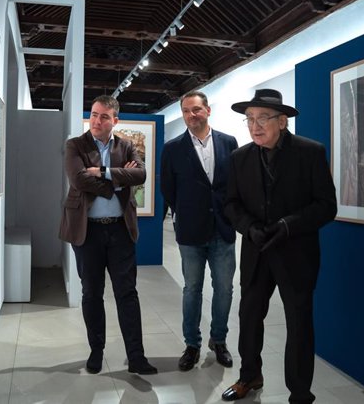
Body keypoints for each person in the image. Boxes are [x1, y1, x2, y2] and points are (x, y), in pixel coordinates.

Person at [220, 89, 337, 403]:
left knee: (299, 323)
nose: (255, 126)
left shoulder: (310, 152)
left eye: (262, 118)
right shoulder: (239, 158)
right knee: (248, 317)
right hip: (256, 253)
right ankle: (249, 377)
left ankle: (300, 392)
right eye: (249, 120)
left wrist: (288, 225)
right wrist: (249, 227)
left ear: (282, 121)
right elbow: (230, 204)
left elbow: (327, 206)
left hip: (296, 254)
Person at [59, 95, 158, 375]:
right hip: (87, 232)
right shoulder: (75, 145)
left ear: (115, 120)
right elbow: (78, 179)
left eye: (104, 116)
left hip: (119, 230)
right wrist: (115, 183)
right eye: (93, 114)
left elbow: (140, 175)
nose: (96, 121)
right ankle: (96, 351)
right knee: (92, 293)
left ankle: (136, 357)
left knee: (127, 293)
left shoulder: (125, 145)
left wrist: (102, 172)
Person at [160, 91, 238, 371]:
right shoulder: (172, 148)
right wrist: (185, 212)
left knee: (225, 290)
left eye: (195, 110)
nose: (190, 115)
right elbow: (167, 189)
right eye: (185, 111)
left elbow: (234, 185)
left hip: (223, 230)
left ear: (208, 110)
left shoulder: (229, 143)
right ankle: (191, 344)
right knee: (192, 289)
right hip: (191, 232)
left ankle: (219, 340)